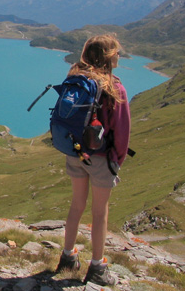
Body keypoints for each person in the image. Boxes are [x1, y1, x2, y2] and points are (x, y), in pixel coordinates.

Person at [55, 34, 131, 286]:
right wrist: (116, 161)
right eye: (117, 53)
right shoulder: (114, 87)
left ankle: (67, 257)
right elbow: (122, 131)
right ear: (109, 57)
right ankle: (97, 267)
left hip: (76, 153)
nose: (119, 56)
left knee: (76, 205)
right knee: (100, 213)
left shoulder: (75, 79)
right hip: (100, 157)